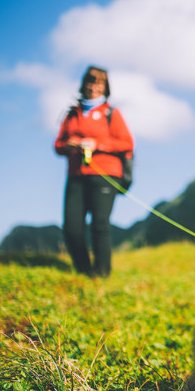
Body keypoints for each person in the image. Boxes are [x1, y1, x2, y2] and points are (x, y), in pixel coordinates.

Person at [54, 65, 134, 277]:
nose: (94, 87)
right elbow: (57, 145)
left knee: (100, 224)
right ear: (84, 84)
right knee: (72, 227)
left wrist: (97, 144)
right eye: (91, 82)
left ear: (105, 87)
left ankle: (102, 274)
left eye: (100, 83)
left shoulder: (111, 113)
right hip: (76, 175)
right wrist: (69, 145)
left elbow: (126, 143)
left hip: (105, 174)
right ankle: (83, 270)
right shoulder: (72, 114)